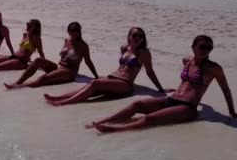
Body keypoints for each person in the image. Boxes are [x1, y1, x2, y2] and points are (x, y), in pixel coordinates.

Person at [88, 35, 235, 133]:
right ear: (193, 46)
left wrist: (232, 111)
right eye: (203, 46)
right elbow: (187, 83)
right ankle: (105, 120)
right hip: (171, 99)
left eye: (209, 48)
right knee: (137, 105)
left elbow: (226, 89)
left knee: (148, 119)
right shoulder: (186, 61)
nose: (206, 50)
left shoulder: (213, 68)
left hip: (187, 108)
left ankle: (114, 130)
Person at [44, 27, 165, 106]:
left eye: (140, 36)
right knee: (93, 84)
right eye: (135, 35)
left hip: (125, 84)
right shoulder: (125, 48)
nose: (138, 38)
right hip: (113, 78)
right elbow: (121, 68)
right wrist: (106, 78)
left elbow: (150, 71)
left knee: (95, 84)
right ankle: (58, 97)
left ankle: (65, 102)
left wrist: (160, 89)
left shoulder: (143, 52)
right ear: (129, 36)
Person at [4, 22, 98, 89]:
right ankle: (18, 82)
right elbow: (63, 57)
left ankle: (20, 87)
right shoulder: (67, 41)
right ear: (68, 31)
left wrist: (96, 76)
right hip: (59, 68)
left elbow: (88, 62)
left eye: (77, 30)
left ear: (80, 31)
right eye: (73, 30)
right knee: (38, 60)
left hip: (69, 72)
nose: (75, 32)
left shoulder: (83, 46)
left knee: (43, 79)